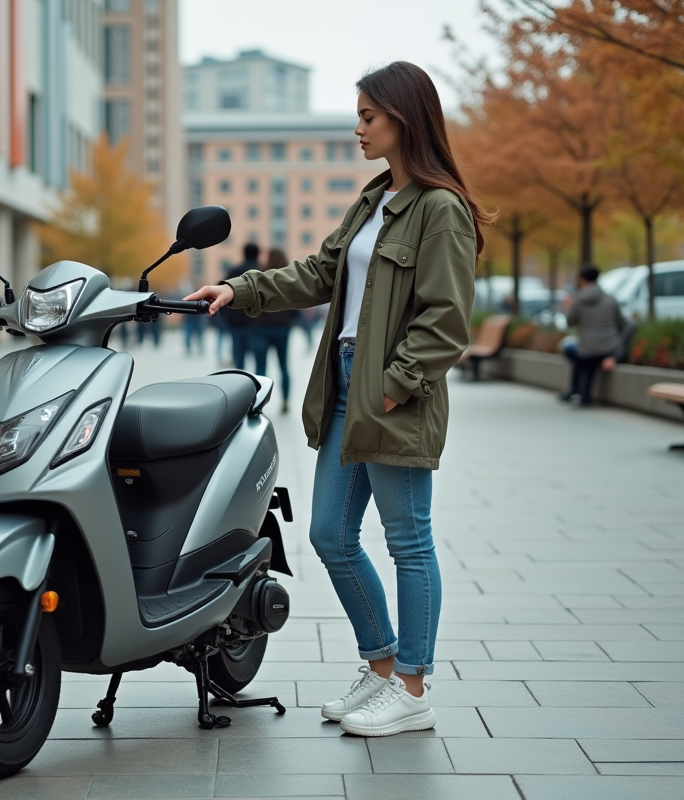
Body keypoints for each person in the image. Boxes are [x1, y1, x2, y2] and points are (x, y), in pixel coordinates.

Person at [187, 62, 490, 737]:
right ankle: (380, 666)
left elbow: (445, 321)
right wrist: (240, 289)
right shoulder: (374, 200)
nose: (357, 129)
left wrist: (394, 385)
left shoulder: (440, 211)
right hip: (348, 383)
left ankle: (413, 686)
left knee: (408, 541)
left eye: (368, 117)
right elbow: (321, 272)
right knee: (329, 533)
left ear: (403, 119)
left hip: (391, 391)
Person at [560, 264, 627, 407]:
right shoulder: (610, 299)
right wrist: (616, 352)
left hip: (588, 350)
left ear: (582, 279)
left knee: (572, 351)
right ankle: (581, 393)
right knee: (586, 358)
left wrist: (566, 306)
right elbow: (623, 324)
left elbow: (569, 322)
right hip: (610, 349)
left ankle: (577, 391)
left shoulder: (578, 300)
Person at [250, 248, 298, 412]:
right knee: (283, 365)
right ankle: (285, 400)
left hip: (261, 328)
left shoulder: (261, 276)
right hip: (282, 329)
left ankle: (258, 403)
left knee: (260, 368)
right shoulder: (288, 278)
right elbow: (297, 305)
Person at [222, 243, 262, 370]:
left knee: (239, 360)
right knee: (259, 362)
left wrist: (227, 319)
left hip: (237, 323)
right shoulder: (263, 272)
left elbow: (222, 294)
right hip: (258, 324)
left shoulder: (234, 272)